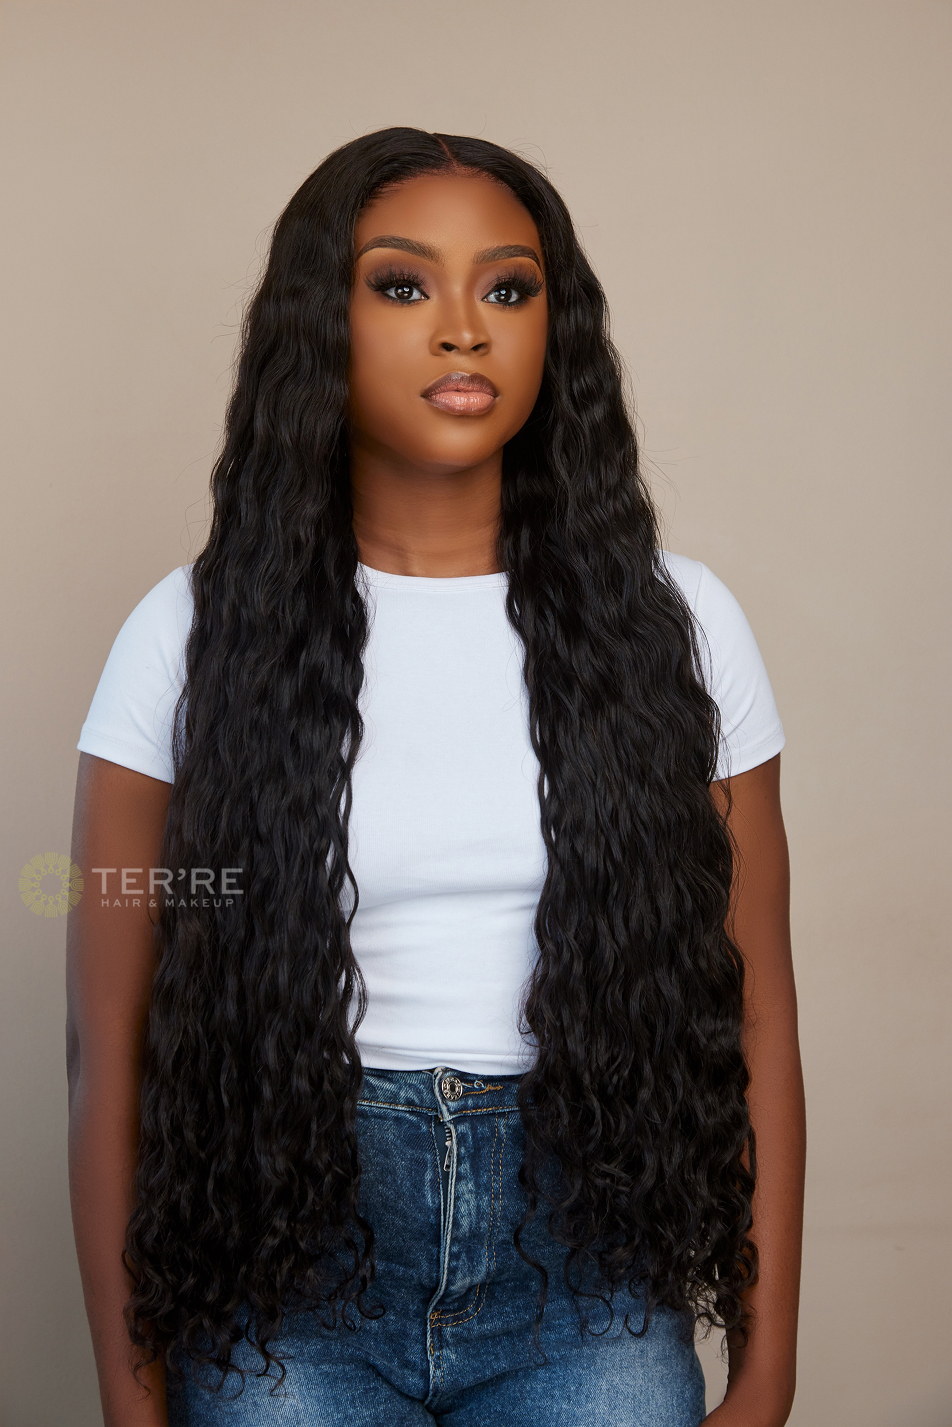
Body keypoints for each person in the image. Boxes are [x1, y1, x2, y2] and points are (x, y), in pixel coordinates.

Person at [67, 128, 805, 1427]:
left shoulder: (679, 627)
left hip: (586, 1289)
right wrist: (132, 1405)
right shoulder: (188, 636)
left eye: (508, 288)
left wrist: (766, 1374)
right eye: (403, 284)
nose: (465, 328)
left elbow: (758, 1021)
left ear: (555, 331)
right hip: (284, 1286)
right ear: (321, 323)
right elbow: (107, 1044)